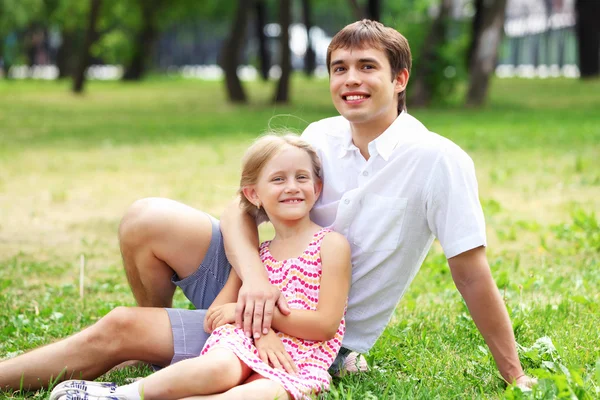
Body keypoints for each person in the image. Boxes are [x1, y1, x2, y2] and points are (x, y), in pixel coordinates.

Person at [0, 19, 535, 393]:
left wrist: (513, 374)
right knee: (146, 217)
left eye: (367, 68)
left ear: (399, 80)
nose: (350, 80)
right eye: (339, 68)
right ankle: (163, 340)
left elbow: (470, 271)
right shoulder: (321, 136)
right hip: (256, 283)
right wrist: (253, 279)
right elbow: (241, 210)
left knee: (116, 328)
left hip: (308, 324)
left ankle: (146, 344)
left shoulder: (438, 161)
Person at [48, 134, 351, 400]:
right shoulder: (257, 256)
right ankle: (125, 394)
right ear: (253, 194)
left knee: (257, 395)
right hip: (242, 345)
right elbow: (216, 317)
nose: (292, 187)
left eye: (302, 177)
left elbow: (324, 325)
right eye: (278, 179)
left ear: (317, 186)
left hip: (299, 358)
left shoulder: (330, 245)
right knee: (220, 369)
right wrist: (259, 332)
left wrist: (246, 314)